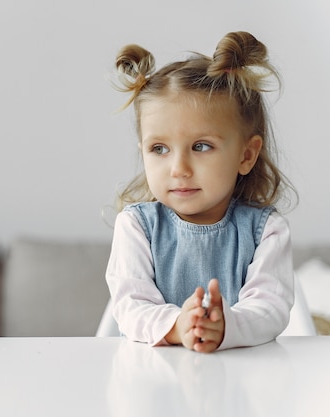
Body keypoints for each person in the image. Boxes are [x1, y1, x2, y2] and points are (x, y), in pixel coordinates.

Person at [105, 31, 297, 353]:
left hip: (239, 383)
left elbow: (270, 306)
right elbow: (131, 305)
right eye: (159, 148)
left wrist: (225, 326)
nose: (178, 168)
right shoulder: (137, 227)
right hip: (155, 382)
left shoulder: (266, 231)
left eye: (201, 146)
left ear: (246, 155)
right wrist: (179, 325)